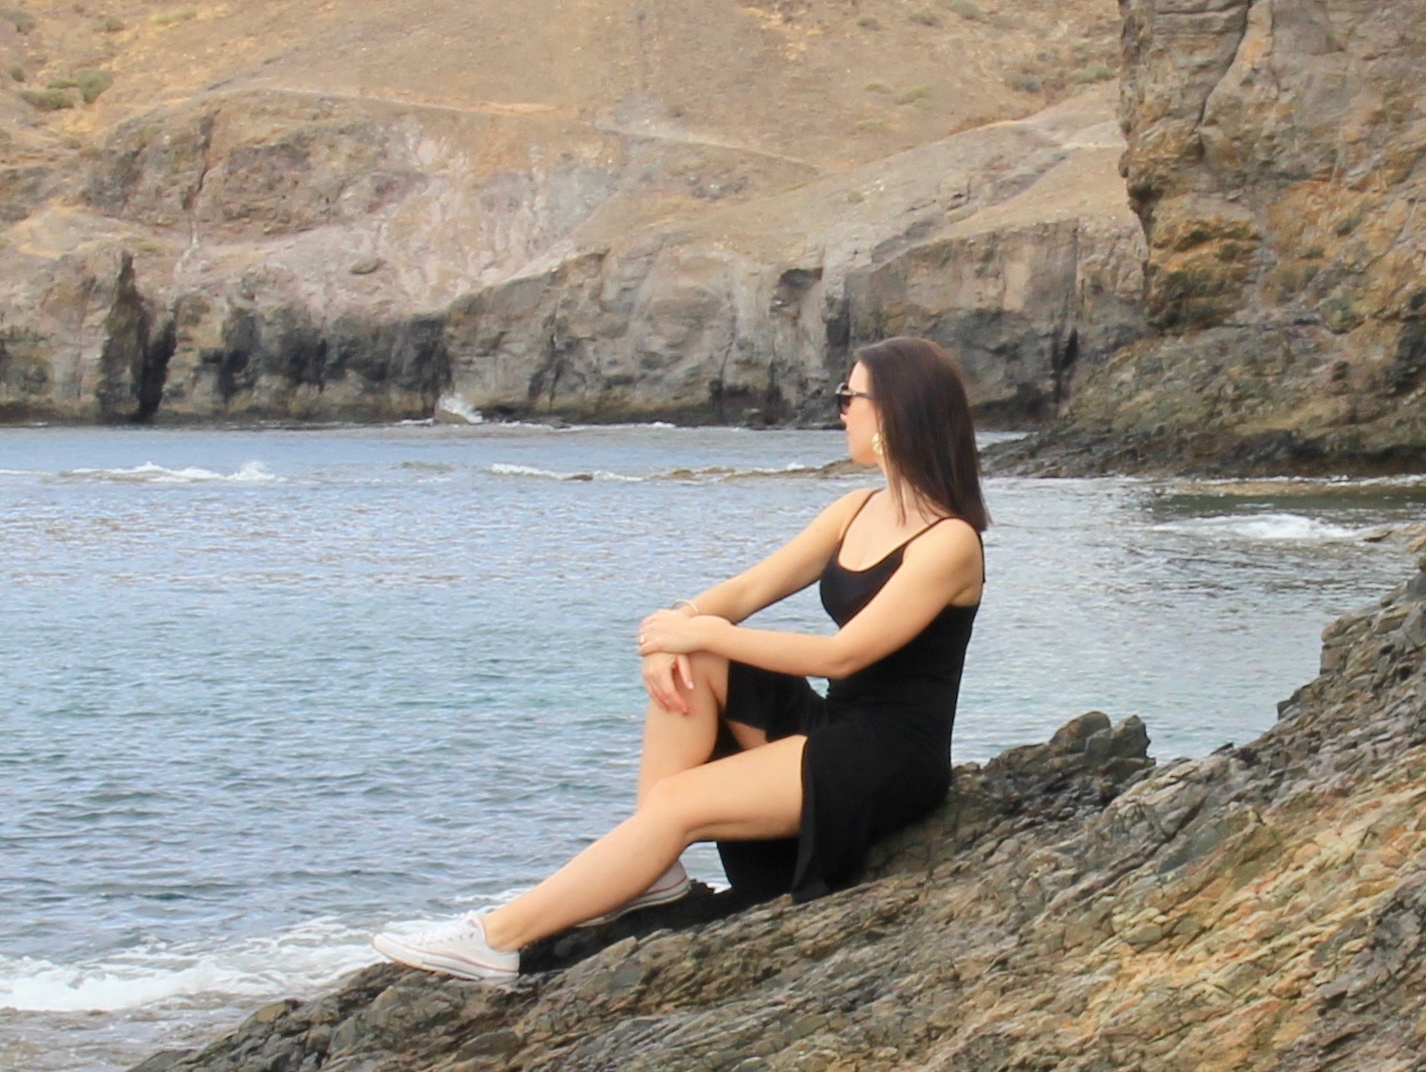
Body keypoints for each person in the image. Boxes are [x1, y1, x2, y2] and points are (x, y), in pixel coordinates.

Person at [378, 336, 989, 984]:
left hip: (889, 757)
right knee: (693, 664)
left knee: (679, 795)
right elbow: (749, 590)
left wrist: (705, 635)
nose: (840, 410)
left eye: (849, 397)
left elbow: (844, 655)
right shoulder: (856, 509)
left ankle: (495, 939)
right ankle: (656, 868)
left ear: (893, 410)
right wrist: (678, 628)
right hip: (836, 729)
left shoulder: (950, 541)